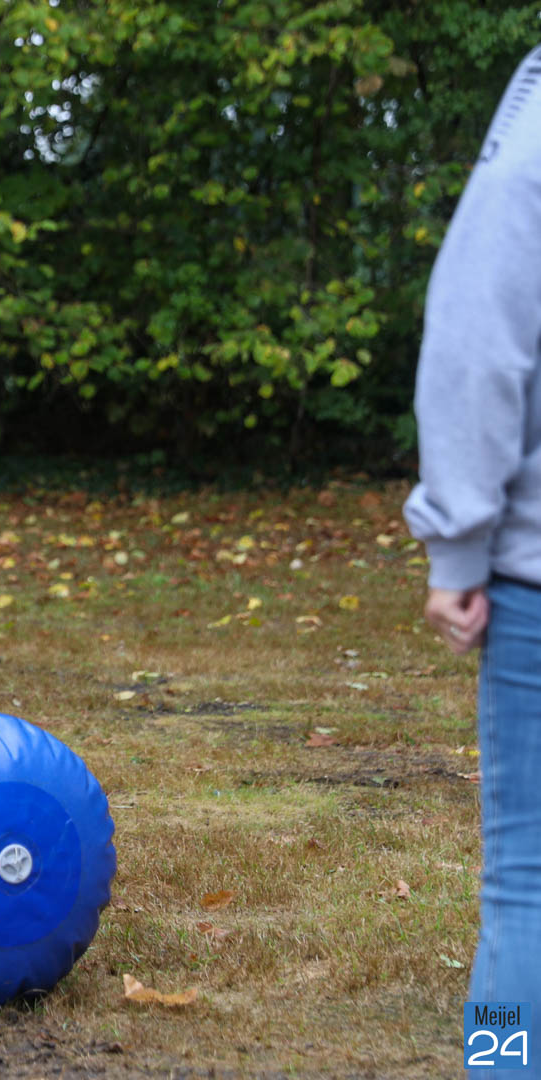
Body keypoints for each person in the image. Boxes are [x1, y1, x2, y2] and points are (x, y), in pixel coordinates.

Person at [402, 44, 541, 1070]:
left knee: (527, 880)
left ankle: (503, 1063)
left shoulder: (530, 150)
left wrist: (457, 551)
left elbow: (474, 349)